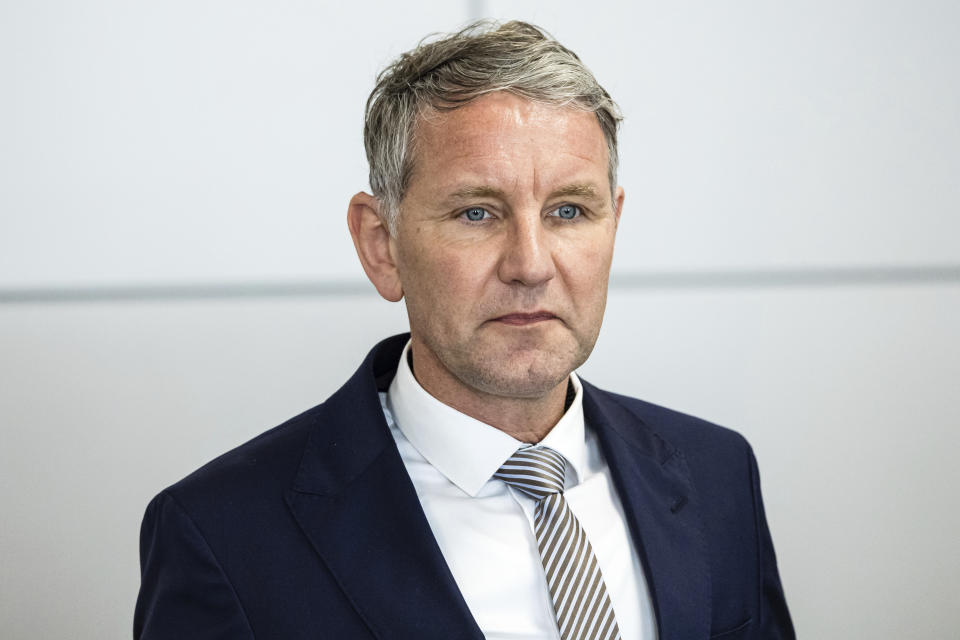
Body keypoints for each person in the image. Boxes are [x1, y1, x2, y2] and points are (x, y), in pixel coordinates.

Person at [134, 20, 795, 640]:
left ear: (613, 225)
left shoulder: (717, 474)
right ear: (381, 244)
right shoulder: (221, 535)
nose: (531, 265)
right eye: (477, 213)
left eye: (569, 210)